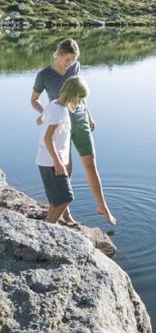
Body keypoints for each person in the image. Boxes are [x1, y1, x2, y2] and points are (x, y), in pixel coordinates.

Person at [31, 38, 116, 225]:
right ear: (58, 54)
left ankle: (102, 205)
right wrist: (46, 114)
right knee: (65, 168)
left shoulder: (75, 67)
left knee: (90, 163)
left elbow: (79, 92)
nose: (69, 63)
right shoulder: (44, 75)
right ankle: (65, 211)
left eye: (73, 59)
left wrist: (89, 115)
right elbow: (34, 100)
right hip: (61, 124)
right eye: (67, 59)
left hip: (80, 119)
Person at [36, 76, 87, 223]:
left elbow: (39, 121)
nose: (80, 102)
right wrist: (57, 162)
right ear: (73, 95)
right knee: (66, 198)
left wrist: (43, 118)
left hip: (47, 160)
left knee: (56, 200)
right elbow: (48, 138)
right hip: (52, 162)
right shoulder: (59, 111)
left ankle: (48, 224)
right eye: (80, 98)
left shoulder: (53, 104)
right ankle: (49, 228)